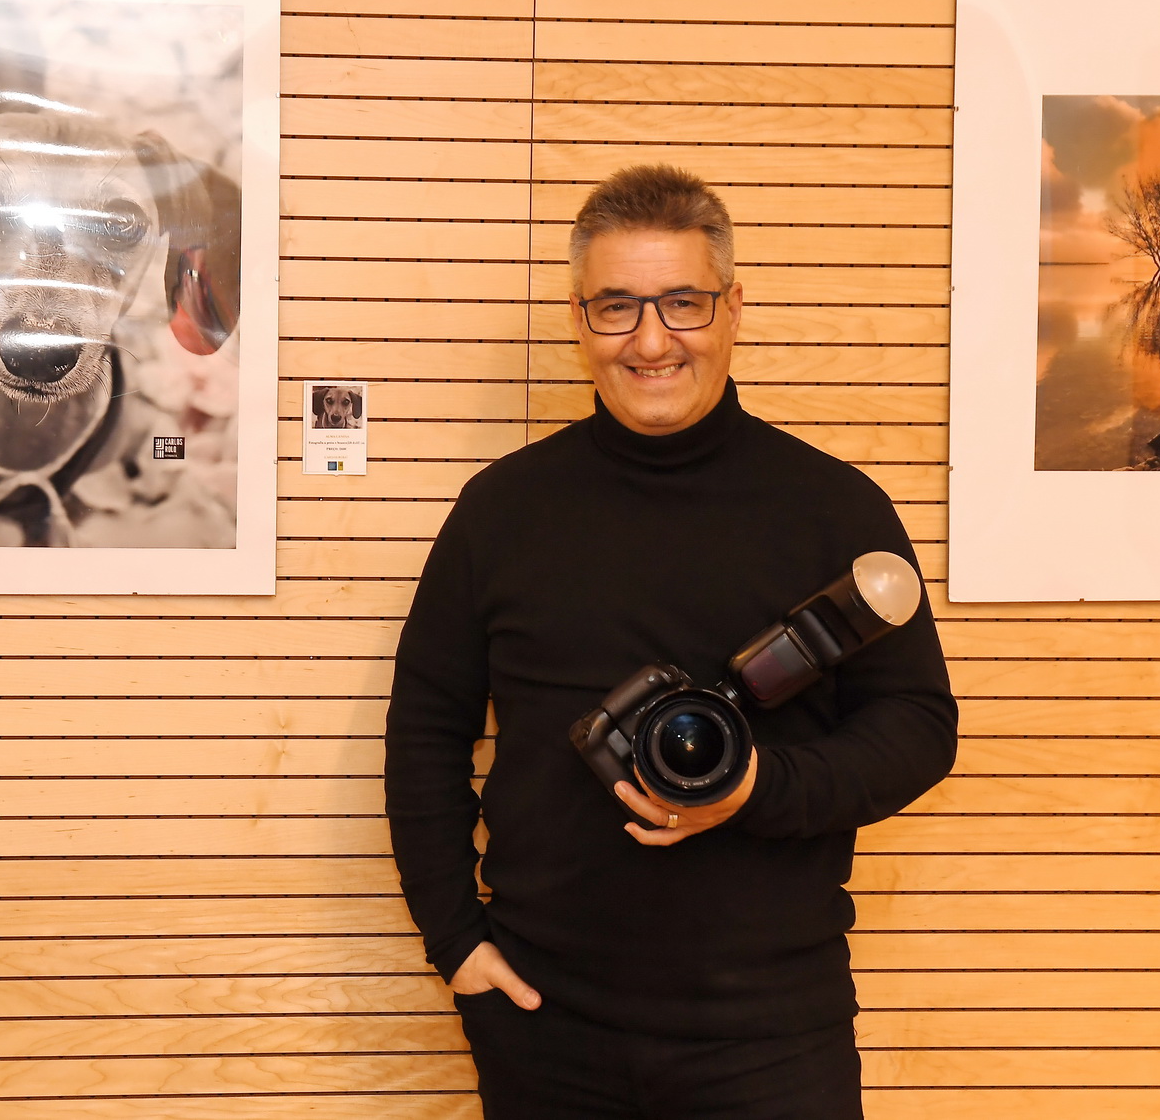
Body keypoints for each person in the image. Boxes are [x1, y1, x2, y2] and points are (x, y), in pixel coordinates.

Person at [385, 164, 958, 1118]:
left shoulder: (834, 507)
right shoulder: (501, 510)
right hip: (546, 1019)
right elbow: (424, 732)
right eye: (616, 306)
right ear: (579, 321)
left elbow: (917, 727)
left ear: (731, 308)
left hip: (773, 1031)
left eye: (682, 302)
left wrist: (757, 789)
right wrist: (456, 941)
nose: (651, 340)